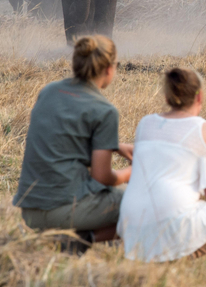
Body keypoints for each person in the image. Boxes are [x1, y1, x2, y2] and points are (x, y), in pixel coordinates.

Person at [118, 68, 206, 262]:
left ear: (166, 96)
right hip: (171, 218)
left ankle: (163, 254)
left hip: (130, 224)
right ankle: (181, 256)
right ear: (200, 97)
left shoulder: (145, 123)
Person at [13, 35, 133, 246]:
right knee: (144, 200)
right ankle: (80, 240)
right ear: (108, 69)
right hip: (65, 210)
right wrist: (130, 173)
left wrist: (114, 146)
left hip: (30, 211)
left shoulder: (49, 91)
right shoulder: (105, 111)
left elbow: (63, 137)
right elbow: (102, 177)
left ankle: (63, 238)